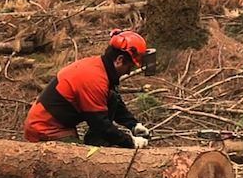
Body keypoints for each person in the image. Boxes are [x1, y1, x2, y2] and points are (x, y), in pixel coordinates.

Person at [24, 29, 156, 148]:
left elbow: (112, 100)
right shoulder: (94, 79)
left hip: (62, 125)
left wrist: (133, 124)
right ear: (119, 60)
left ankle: (97, 144)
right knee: (79, 163)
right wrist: (130, 142)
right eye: (129, 67)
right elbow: (100, 125)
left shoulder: (101, 68)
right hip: (45, 129)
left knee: (112, 98)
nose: (128, 72)